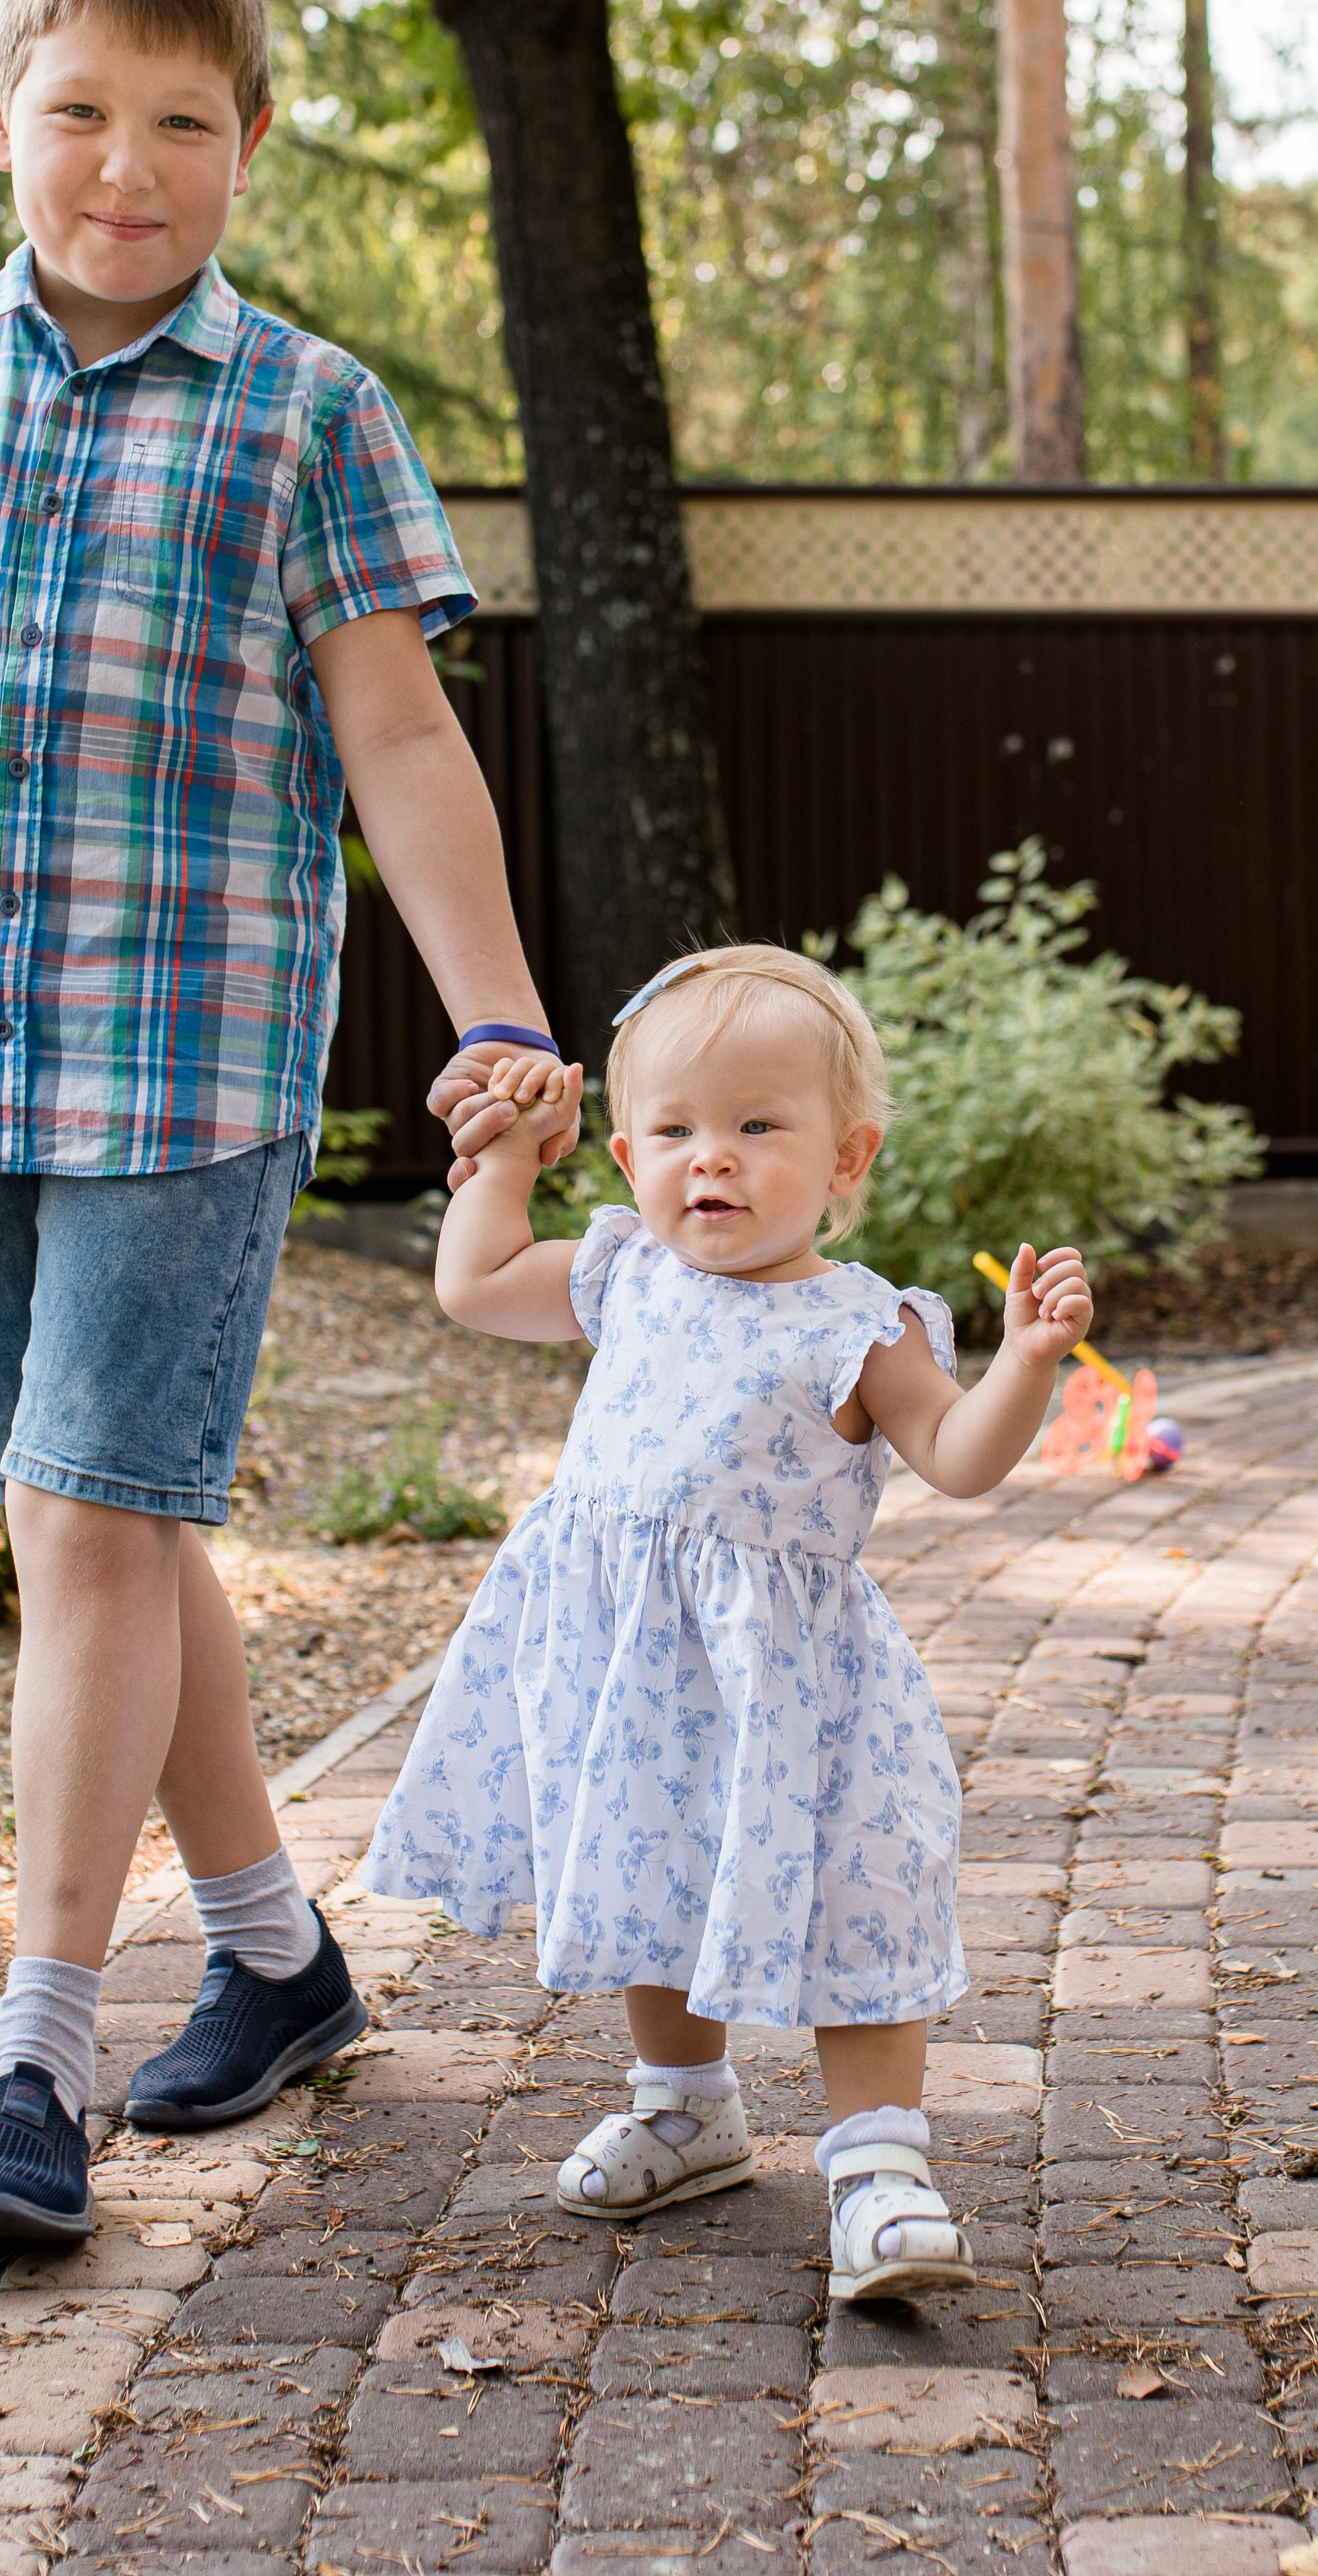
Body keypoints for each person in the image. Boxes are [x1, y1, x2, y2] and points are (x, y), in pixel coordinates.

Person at [0, 0, 574, 2243]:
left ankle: (36, 2047)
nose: (124, 166)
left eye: (179, 121)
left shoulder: (310, 415)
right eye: (78, 109)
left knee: (90, 1518)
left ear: (252, 137)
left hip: (194, 1067)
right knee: (98, 1514)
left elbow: (398, 738)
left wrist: (499, 1003)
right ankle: (282, 1957)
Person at [365, 943, 1093, 2301]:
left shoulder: (862, 1328)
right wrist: (509, 1161)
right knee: (654, 1868)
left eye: (761, 1127)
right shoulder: (624, 1273)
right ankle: (686, 2106)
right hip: (634, 1666)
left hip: (794, 1683)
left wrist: (1029, 1366)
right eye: (680, 1130)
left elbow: (961, 1459)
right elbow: (474, 1284)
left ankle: (879, 2163)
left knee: (853, 1895)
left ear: (846, 1158)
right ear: (631, 1150)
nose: (716, 1159)